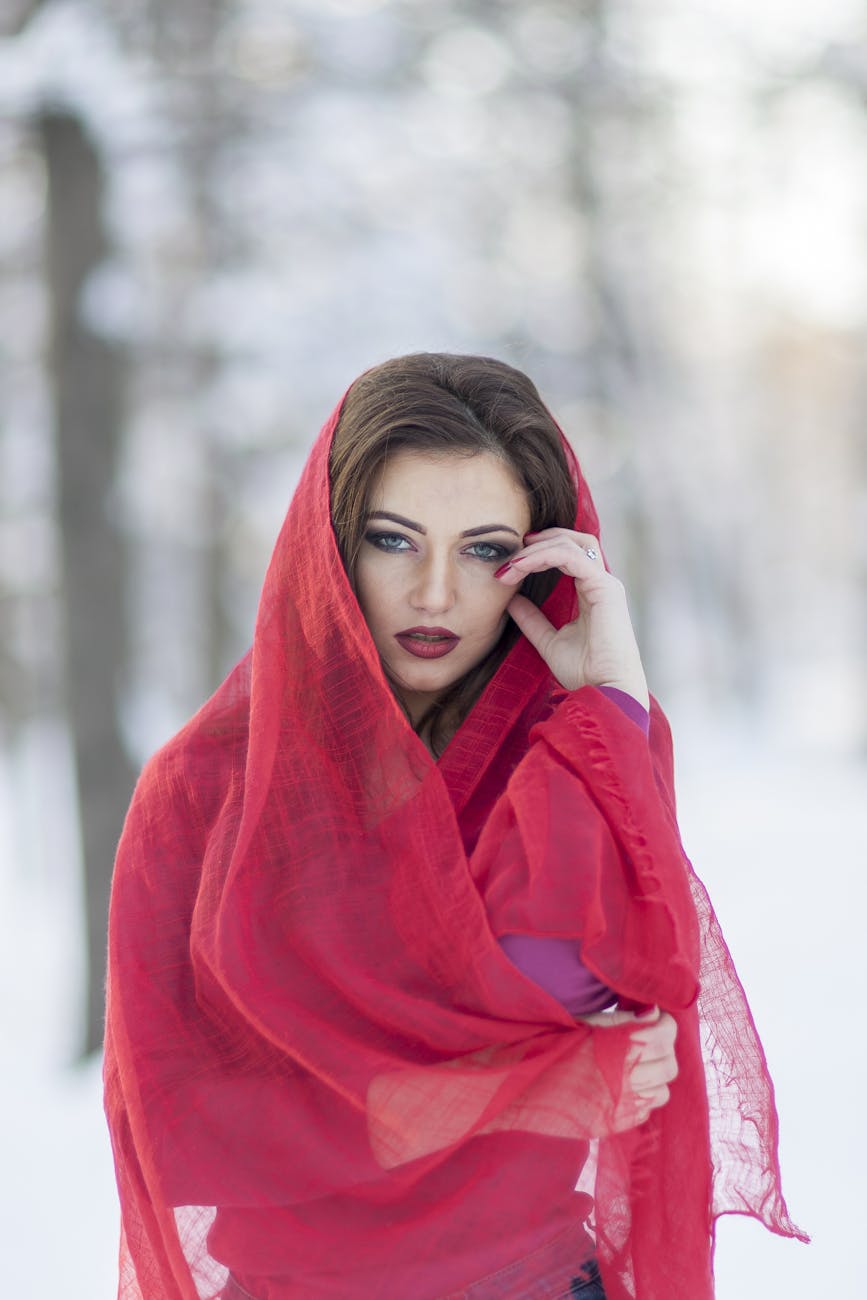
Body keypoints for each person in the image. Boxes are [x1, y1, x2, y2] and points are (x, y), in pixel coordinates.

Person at [103, 353, 804, 1300]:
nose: (435, 594)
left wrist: (615, 703)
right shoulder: (203, 789)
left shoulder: (563, 753)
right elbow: (179, 1128)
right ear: (331, 541)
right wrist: (506, 1091)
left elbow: (612, 980)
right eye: (395, 540)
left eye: (484, 551)